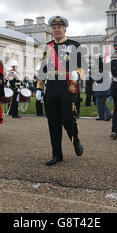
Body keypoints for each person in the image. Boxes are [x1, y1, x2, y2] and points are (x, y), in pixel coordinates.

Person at [36, 16, 85, 166]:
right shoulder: (48, 46)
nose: (56, 30)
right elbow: (43, 69)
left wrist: (78, 73)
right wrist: (39, 87)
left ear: (65, 29)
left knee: (67, 118)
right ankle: (56, 154)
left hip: (67, 87)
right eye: (54, 27)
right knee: (53, 122)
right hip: (51, 88)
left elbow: (83, 65)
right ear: (51, 30)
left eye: (59, 27)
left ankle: (75, 140)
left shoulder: (74, 45)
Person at [93, 55, 112, 121]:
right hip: (105, 88)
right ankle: (102, 116)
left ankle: (108, 114)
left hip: (102, 89)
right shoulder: (103, 69)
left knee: (100, 103)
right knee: (100, 102)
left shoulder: (101, 69)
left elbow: (99, 80)